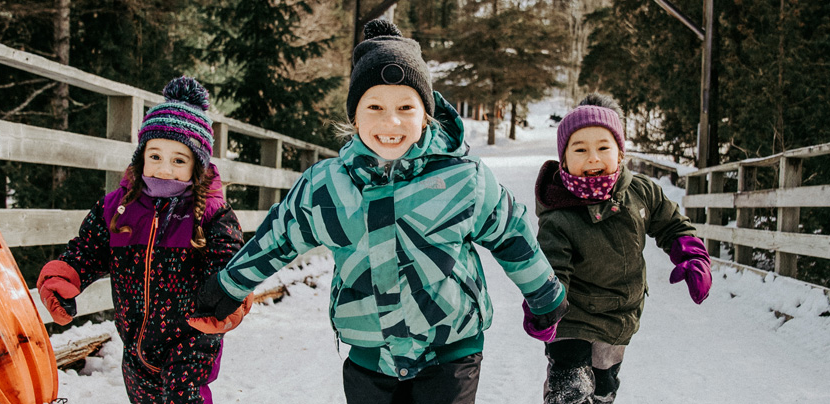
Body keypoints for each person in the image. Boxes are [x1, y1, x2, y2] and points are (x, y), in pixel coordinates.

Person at [187, 19, 567, 404]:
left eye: (406, 106)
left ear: (426, 114)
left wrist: (544, 295)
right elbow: (278, 238)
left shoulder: (461, 178)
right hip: (369, 356)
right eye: (375, 106)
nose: (392, 121)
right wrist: (229, 286)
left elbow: (511, 232)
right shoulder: (326, 186)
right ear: (355, 117)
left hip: (451, 351)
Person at [36, 77, 250, 404]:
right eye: (155, 156)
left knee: (183, 397)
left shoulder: (211, 215)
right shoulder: (118, 208)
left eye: (179, 159)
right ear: (141, 157)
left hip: (191, 341)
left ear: (198, 165)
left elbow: (230, 262)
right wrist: (66, 275)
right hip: (134, 343)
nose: (164, 169)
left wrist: (227, 297)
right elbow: (88, 249)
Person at [532, 94, 713, 404]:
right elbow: (554, 267)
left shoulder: (641, 191)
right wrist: (546, 303)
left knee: (603, 387)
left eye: (603, 147)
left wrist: (693, 255)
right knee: (570, 388)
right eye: (580, 149)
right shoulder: (559, 212)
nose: (593, 158)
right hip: (571, 315)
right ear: (563, 159)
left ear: (620, 152)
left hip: (619, 314)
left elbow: (672, 225)